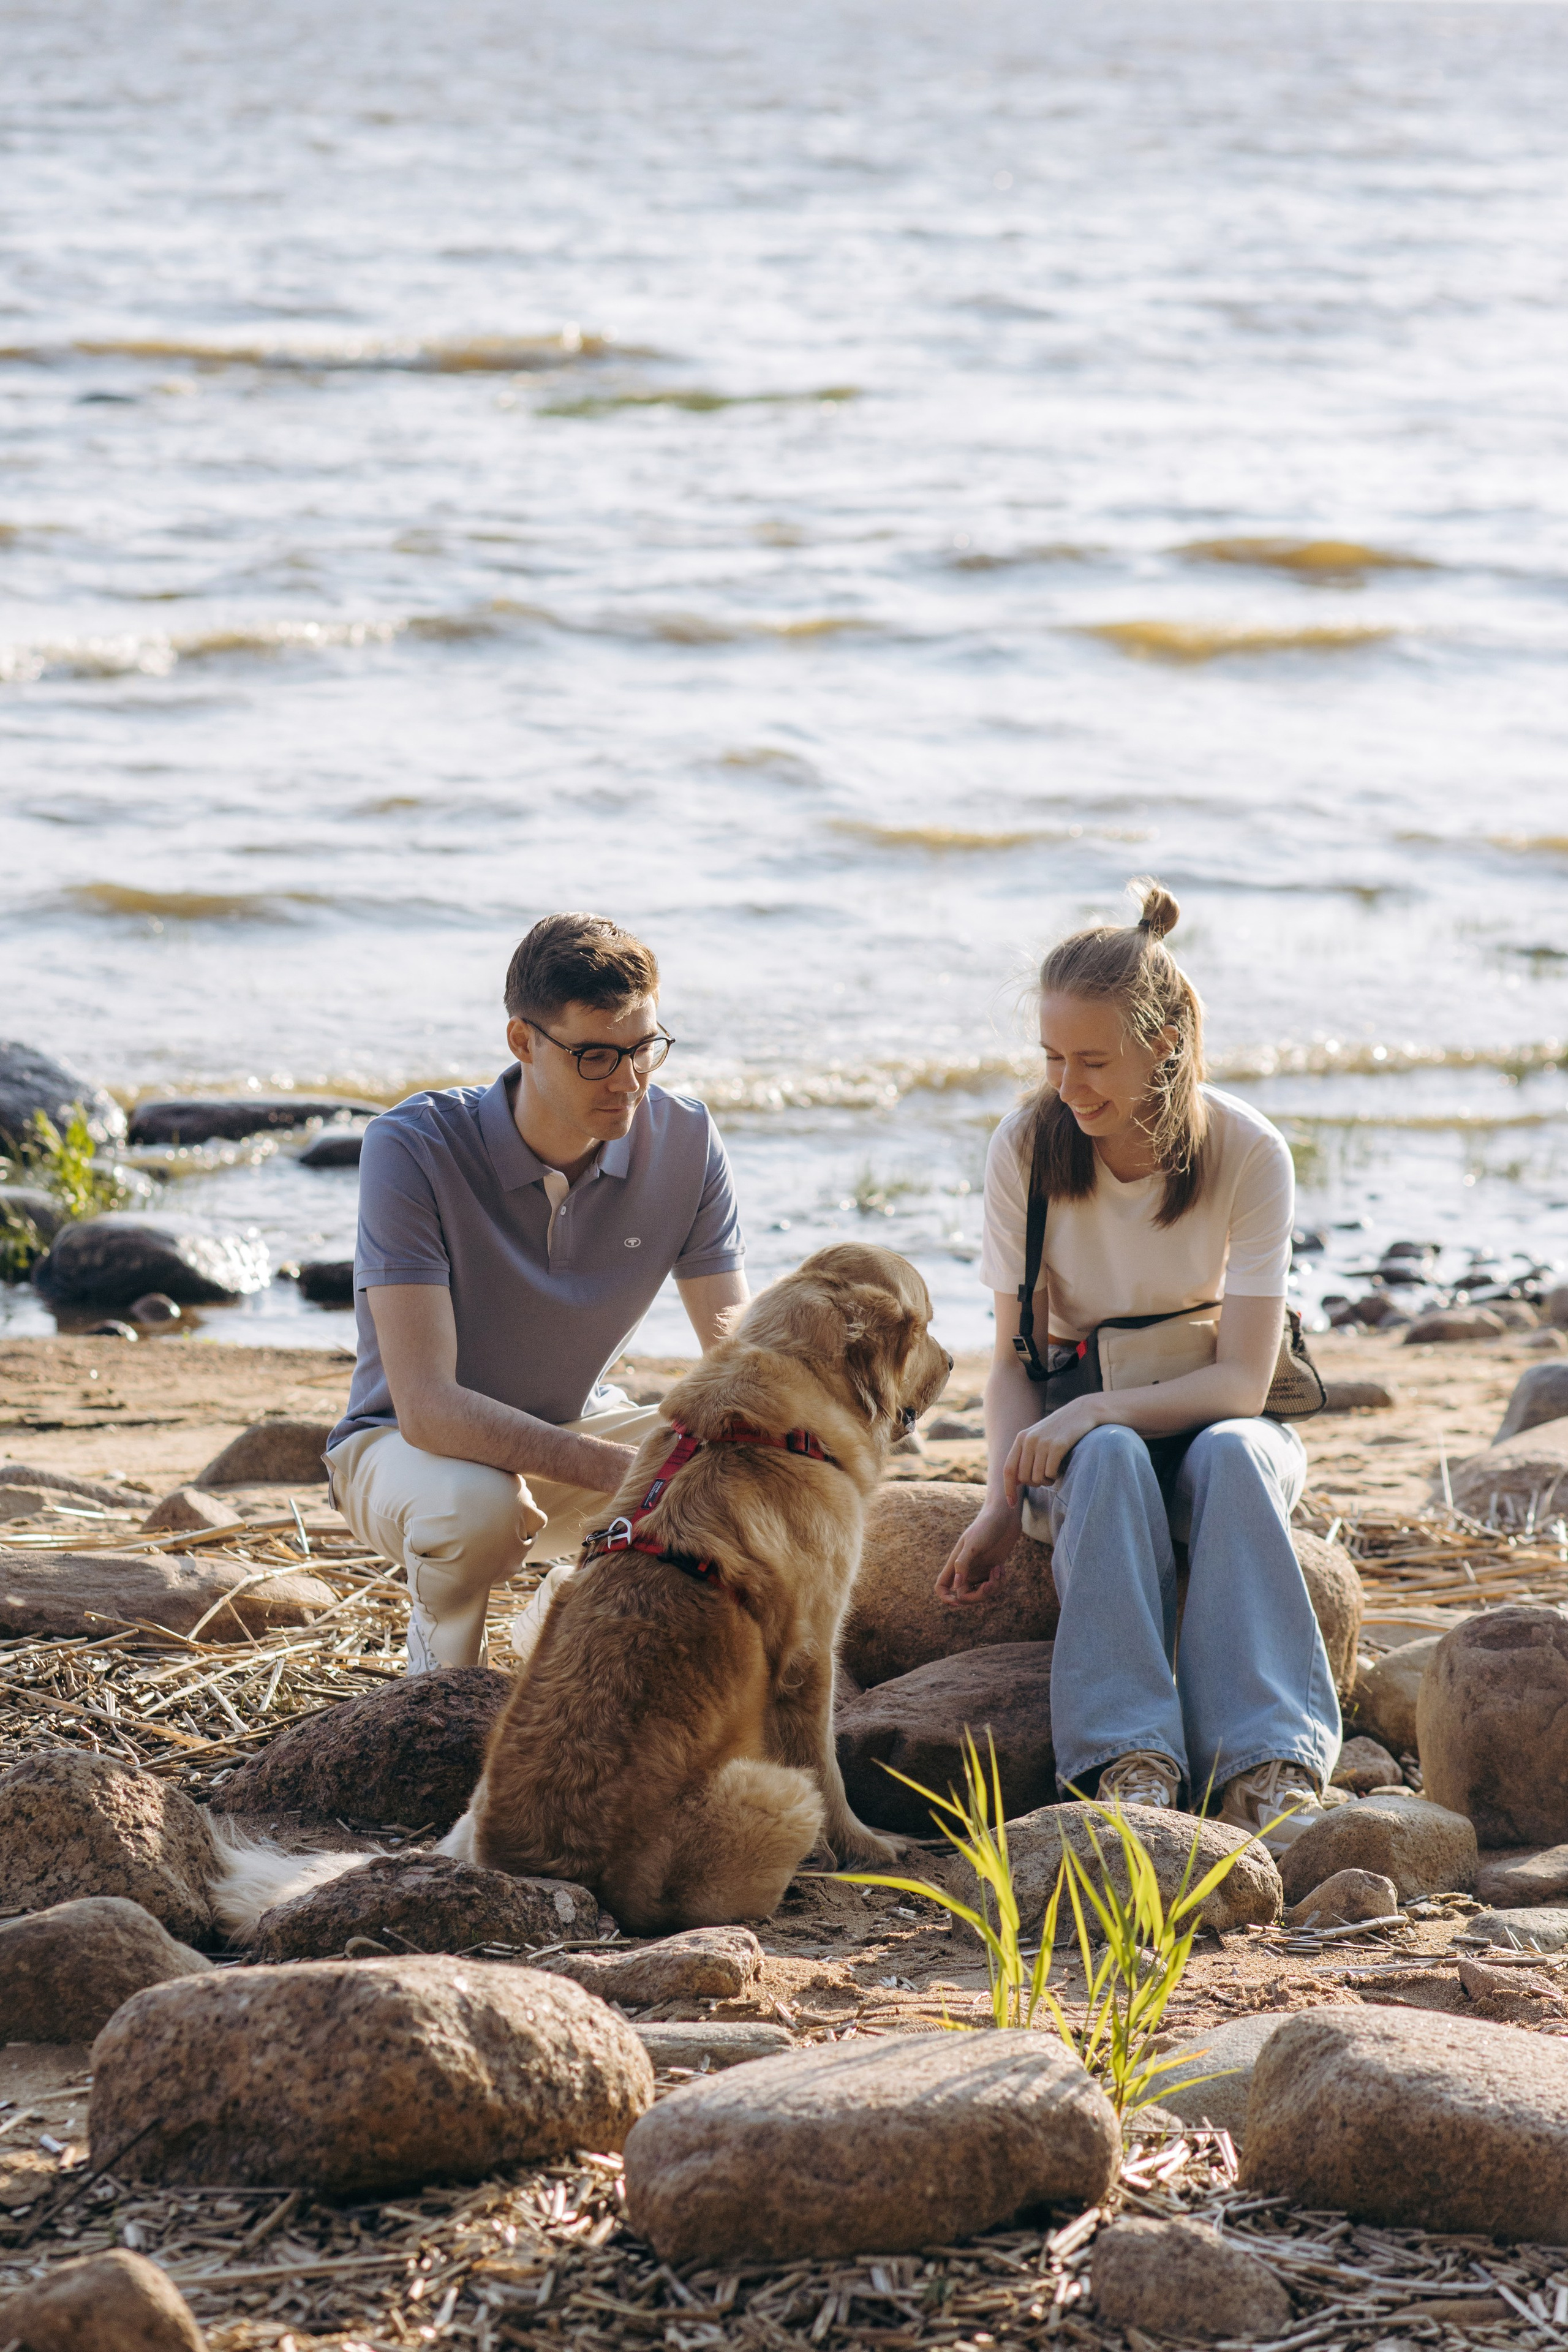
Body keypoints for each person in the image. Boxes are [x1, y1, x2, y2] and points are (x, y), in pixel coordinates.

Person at [935, 880, 1340, 1853]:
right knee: (1112, 1457)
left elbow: (1243, 1385)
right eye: (1051, 1058)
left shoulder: (1248, 1151)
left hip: (1220, 1418)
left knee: (1234, 1456)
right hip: (1093, 1450)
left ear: (1167, 1047)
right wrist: (1001, 1501)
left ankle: (1270, 1762)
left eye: (1093, 1061)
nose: (1067, 1087)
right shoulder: (1028, 1150)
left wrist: (1090, 1413)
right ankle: (1130, 1763)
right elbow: (1009, 1364)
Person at [325, 913, 748, 1673]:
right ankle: (438, 1690)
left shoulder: (685, 1142)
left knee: (741, 1468)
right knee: (478, 1509)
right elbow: (426, 1405)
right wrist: (630, 1477)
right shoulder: (412, 1147)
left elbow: (737, 1359)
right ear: (524, 1042)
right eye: (595, 1056)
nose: (629, 1083)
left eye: (643, 1049)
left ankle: (563, 1618)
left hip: (573, 1437)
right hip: (401, 1450)